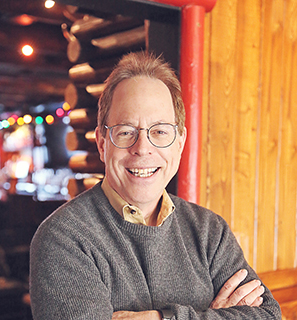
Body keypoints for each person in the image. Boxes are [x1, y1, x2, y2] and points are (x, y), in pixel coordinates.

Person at [29, 52, 281, 320]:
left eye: (160, 131)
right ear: (102, 143)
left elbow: (269, 315)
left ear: (180, 143)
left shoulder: (210, 232)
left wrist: (162, 318)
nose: (143, 148)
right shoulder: (63, 239)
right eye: (126, 132)